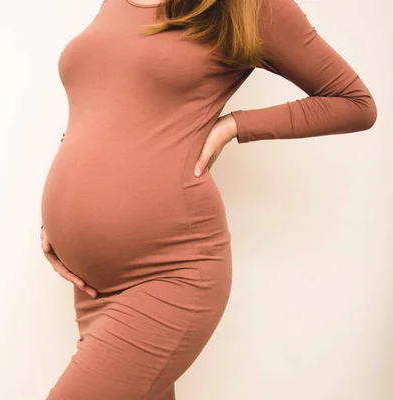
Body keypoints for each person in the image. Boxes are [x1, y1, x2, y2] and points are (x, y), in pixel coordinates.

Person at [39, 0, 377, 398]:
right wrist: (65, 208)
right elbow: (102, 107)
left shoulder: (251, 6)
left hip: (171, 268)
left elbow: (354, 103)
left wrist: (235, 124)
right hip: (93, 283)